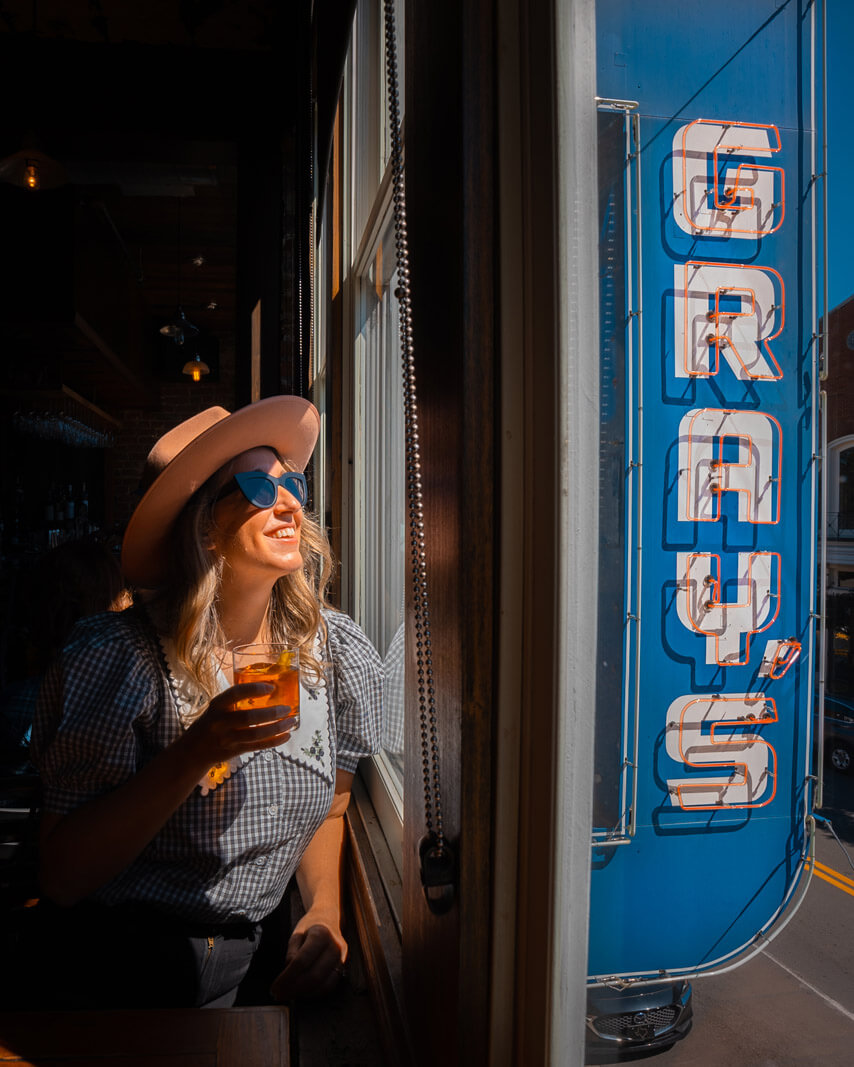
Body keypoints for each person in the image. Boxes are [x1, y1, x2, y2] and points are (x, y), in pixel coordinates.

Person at [27, 396, 382, 1010]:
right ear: (202, 526)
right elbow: (62, 876)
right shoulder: (121, 659)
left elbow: (330, 808)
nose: (291, 503)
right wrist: (195, 750)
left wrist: (324, 912)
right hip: (123, 972)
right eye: (255, 486)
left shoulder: (331, 650)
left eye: (292, 483)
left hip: (260, 961)